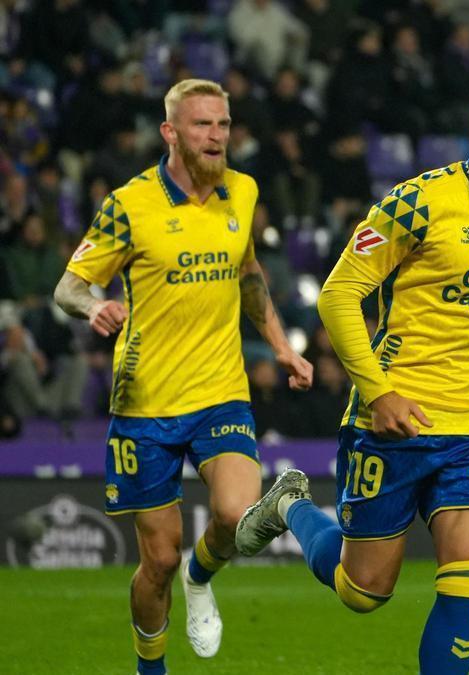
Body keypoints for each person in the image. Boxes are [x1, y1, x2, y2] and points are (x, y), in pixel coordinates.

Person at [235, 81, 469, 675]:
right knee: (363, 591)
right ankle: (291, 506)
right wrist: (377, 391)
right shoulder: (418, 202)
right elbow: (339, 295)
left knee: (467, 575)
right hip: (393, 422)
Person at [52, 78, 314, 675]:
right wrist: (94, 307)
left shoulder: (242, 192)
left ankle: (203, 577)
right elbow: (68, 283)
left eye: (223, 124)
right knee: (158, 562)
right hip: (145, 403)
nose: (217, 136)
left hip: (222, 392)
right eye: (202, 125)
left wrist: (281, 348)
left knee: (235, 515)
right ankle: (151, 666)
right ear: (171, 132)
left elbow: (248, 274)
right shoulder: (130, 204)